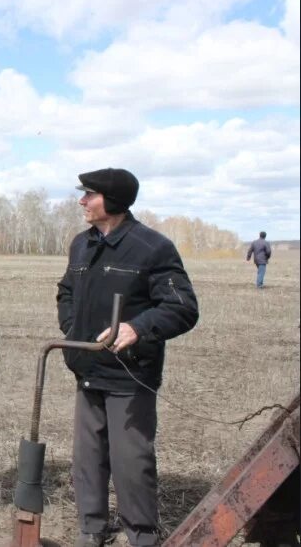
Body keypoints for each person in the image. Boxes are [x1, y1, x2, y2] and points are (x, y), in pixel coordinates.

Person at [57, 168, 199, 547]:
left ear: (114, 201)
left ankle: (142, 535)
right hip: (86, 369)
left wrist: (137, 328)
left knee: (130, 463)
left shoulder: (153, 247)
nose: (81, 201)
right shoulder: (81, 244)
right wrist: (72, 329)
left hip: (129, 376)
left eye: (89, 194)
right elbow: (66, 290)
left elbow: (182, 306)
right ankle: (92, 529)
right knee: (87, 459)